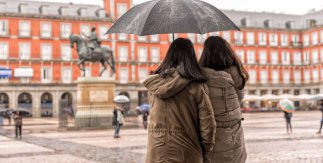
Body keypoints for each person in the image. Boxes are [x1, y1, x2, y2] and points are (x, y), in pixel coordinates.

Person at [144, 38, 216, 163]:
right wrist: (205, 151)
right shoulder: (197, 86)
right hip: (187, 153)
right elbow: (208, 125)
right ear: (191, 57)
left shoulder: (154, 86)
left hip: (156, 153)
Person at [199, 36, 248, 163]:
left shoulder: (200, 75)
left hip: (210, 132)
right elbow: (238, 99)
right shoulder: (236, 73)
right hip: (233, 131)